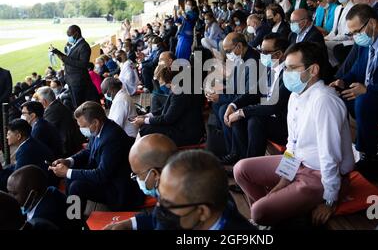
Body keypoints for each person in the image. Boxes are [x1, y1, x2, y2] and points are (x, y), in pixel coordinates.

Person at [234, 42, 354, 226]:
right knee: (241, 170)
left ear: (313, 69)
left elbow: (330, 156)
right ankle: (272, 211)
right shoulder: (296, 96)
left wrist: (330, 200)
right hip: (299, 165)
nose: (286, 73)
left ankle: (268, 213)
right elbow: (292, 143)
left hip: (321, 176)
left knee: (258, 212)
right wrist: (284, 179)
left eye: (292, 68)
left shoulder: (324, 101)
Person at [330, 4, 378, 172]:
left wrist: (369, 90)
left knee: (363, 100)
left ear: (372, 23)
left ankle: (368, 155)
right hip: (369, 100)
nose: (355, 37)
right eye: (352, 33)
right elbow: (356, 71)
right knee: (337, 96)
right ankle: (339, 148)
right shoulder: (365, 43)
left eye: (357, 31)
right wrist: (341, 82)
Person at [110, 150, 255, 230]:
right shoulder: (195, 209)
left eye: (167, 204)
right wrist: (129, 224)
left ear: (202, 212)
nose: (159, 208)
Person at [49, 101, 143, 211]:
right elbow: (88, 151)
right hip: (108, 178)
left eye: (83, 126)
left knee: (76, 186)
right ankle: (71, 214)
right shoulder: (100, 128)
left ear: (95, 122)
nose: (81, 129)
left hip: (118, 190)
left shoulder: (112, 138)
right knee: (71, 177)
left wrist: (67, 172)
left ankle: (74, 221)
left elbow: (101, 175)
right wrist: (68, 161)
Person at [221, 34, 291, 163]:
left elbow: (273, 106)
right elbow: (254, 91)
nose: (261, 55)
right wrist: (233, 105)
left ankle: (251, 166)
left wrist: (242, 112)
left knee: (255, 120)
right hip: (270, 117)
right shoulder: (270, 69)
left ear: (279, 54)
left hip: (284, 125)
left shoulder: (288, 74)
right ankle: (240, 160)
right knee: (237, 114)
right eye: (260, 50)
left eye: (265, 52)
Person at [103, 134, 178, 230]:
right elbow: (156, 217)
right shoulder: (170, 189)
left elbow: (161, 219)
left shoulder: (174, 210)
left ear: (154, 174)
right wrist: (128, 223)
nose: (137, 179)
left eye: (137, 174)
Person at [134, 67, 205, 147]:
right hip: (182, 126)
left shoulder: (180, 93)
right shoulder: (179, 88)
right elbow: (164, 108)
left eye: (162, 81)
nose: (160, 84)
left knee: (145, 128)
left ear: (170, 81)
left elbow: (168, 119)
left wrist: (145, 120)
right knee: (146, 126)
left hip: (187, 134)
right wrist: (147, 116)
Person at [7, 165, 74, 229]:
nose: (9, 196)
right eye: (8, 192)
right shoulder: (50, 191)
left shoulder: (41, 220)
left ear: (33, 194)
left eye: (14, 193)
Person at [50, 25, 99, 108]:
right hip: (72, 81)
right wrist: (58, 53)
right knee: (76, 105)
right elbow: (70, 59)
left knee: (80, 106)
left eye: (70, 35)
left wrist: (62, 56)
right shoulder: (75, 44)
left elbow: (83, 64)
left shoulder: (84, 46)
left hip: (78, 82)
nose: (69, 38)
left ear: (76, 34)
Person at [0, 119, 55, 191]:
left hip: (41, 185)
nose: (7, 138)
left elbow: (17, 177)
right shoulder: (29, 142)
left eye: (8, 134)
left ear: (18, 136)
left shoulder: (25, 150)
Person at [36, 86, 84, 157]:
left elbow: (43, 132)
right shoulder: (56, 105)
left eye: (38, 100)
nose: (38, 102)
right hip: (72, 142)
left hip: (68, 147)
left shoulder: (52, 111)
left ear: (43, 102)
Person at [325, 0, 356, 67]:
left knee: (324, 45)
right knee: (320, 43)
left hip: (348, 40)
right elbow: (333, 30)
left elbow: (348, 34)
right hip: (337, 38)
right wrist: (326, 38)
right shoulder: (338, 8)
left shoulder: (354, 7)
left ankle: (337, 67)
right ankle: (335, 67)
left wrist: (331, 39)